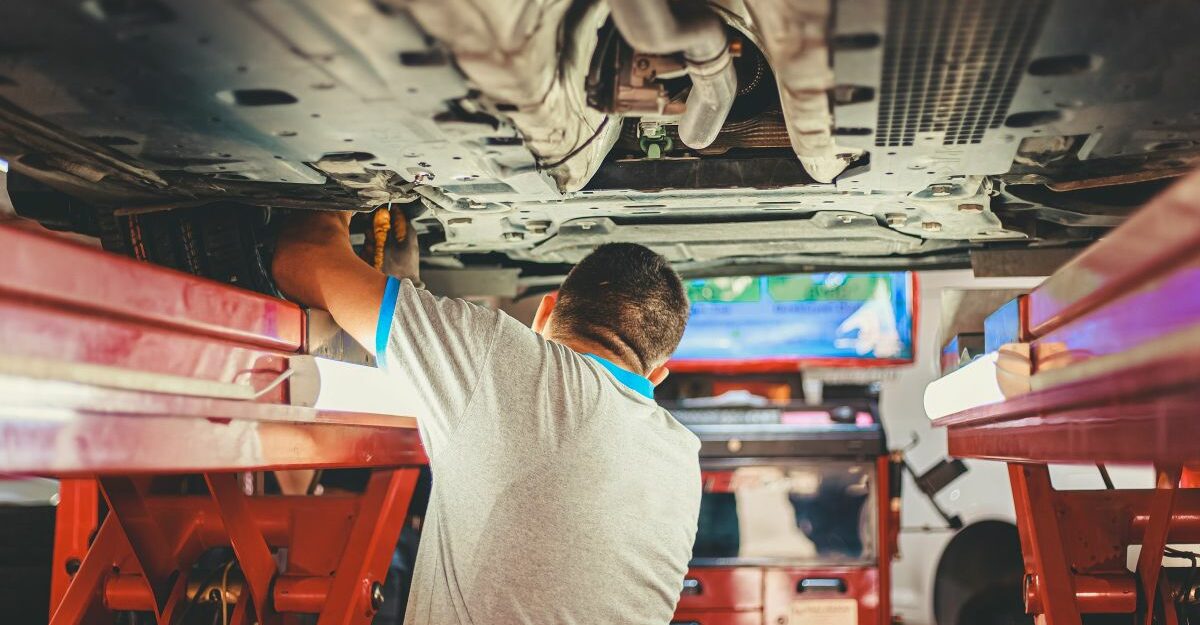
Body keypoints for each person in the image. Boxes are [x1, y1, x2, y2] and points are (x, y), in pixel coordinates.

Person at [272, 210, 702, 625]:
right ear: (656, 375)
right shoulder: (681, 460)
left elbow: (303, 258)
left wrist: (346, 196)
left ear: (544, 314)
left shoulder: (510, 362)